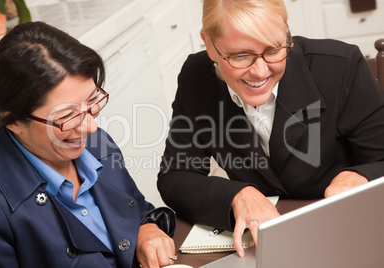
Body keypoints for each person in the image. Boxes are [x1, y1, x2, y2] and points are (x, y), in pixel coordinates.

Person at [157, 0, 384, 258]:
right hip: (266, 248)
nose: (260, 72)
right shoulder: (194, 76)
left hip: (347, 235)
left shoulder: (340, 66)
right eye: (240, 55)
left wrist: (359, 176)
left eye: (274, 50)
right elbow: (175, 175)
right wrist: (238, 194)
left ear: (287, 34)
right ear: (209, 44)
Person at [0, 21, 176, 268]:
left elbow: (135, 209)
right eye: (66, 116)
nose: (91, 127)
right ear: (15, 121)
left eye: (93, 101)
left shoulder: (96, 145)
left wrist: (146, 228)